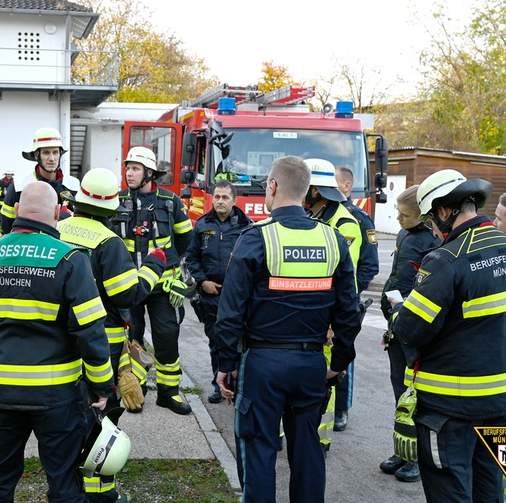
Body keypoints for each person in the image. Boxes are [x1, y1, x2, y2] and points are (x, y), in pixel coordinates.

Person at [215, 155, 361, 503]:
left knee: (259, 452)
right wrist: (338, 364)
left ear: (273, 187)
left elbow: (230, 312)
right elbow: (348, 314)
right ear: (308, 190)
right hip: (311, 365)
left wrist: (225, 364)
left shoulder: (255, 239)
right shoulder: (333, 240)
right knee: (308, 453)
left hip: (263, 365)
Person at [0, 181, 114, 503]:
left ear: (16, 210)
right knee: (64, 480)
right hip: (56, 392)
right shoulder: (71, 258)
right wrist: (102, 387)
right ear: (58, 213)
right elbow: (90, 331)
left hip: (1, 387)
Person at [392, 169, 506, 502]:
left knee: (450, 493)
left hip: (447, 413)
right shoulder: (503, 245)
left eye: (430, 220)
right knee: (491, 489)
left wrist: (398, 310)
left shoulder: (445, 259)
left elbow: (411, 330)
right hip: (501, 405)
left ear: (444, 211)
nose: (431, 227)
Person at [58, 167, 167, 503]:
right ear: (109, 211)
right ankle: (101, 494)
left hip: (59, 340)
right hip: (100, 343)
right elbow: (127, 296)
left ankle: (68, 486)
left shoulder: (56, 229)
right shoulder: (109, 242)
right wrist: (154, 265)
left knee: (67, 417)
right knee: (100, 417)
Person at [112, 146, 194, 415]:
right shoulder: (118, 200)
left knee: (167, 336)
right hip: (128, 287)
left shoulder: (170, 202)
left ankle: (168, 393)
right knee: (131, 338)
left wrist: (169, 264)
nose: (129, 173)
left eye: (135, 168)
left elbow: (185, 239)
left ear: (149, 173)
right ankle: (136, 386)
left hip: (162, 288)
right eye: (128, 168)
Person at [377, 185, 440, 483]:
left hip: (415, 330)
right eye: (397, 213)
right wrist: (391, 325)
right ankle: (402, 451)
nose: (398, 218)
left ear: (423, 215)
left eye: (405, 214)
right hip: (397, 328)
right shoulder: (404, 235)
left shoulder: (433, 242)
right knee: (400, 395)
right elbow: (396, 278)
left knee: (417, 400)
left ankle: (418, 460)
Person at [303, 158, 361, 446]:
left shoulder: (344, 225)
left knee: (324, 381)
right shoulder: (313, 215)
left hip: (327, 322)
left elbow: (344, 286)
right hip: (309, 315)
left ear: (316, 190)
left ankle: (320, 441)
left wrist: (332, 325)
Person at [184, 179, 251, 404]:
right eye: (217, 197)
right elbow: (192, 257)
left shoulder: (247, 226)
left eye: (225, 197)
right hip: (210, 295)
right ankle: (218, 385)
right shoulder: (202, 225)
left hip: (238, 297)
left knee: (241, 342)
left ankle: (239, 386)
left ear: (234, 200)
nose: (220, 201)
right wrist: (202, 281)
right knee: (217, 342)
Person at [334, 166, 380, 431]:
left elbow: (369, 266)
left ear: (348, 186)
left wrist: (349, 294)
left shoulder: (360, 218)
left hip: (346, 302)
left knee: (343, 355)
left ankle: (341, 409)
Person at [0, 127, 80, 234]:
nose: (52, 158)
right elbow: (6, 226)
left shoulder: (73, 186)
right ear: (37, 155)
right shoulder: (19, 187)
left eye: (55, 152)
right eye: (46, 153)